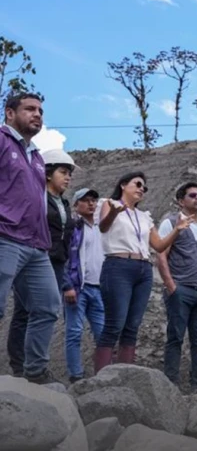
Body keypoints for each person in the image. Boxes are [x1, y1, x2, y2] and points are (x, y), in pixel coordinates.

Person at [94, 171, 190, 373]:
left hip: (143, 269)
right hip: (118, 265)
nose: (141, 189)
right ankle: (101, 377)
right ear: (123, 185)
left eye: (144, 187)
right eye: (137, 184)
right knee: (115, 323)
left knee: (132, 326)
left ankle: (125, 376)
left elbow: (159, 245)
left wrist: (177, 230)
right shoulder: (108, 203)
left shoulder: (144, 216)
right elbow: (103, 227)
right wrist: (114, 212)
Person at [0, 93, 62, 384]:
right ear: (10, 113)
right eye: (29, 109)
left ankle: (34, 372)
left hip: (36, 247)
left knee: (48, 307)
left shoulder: (37, 157)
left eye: (40, 110)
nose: (37, 114)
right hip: (5, 238)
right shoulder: (1, 141)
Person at [8, 147, 76, 379]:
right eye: (63, 171)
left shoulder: (64, 204)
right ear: (48, 173)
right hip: (33, 254)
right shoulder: (38, 197)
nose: (68, 177)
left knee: (45, 310)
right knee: (24, 311)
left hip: (55, 262)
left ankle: (33, 368)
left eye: (70, 173)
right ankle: (18, 364)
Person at [156, 182, 197, 392]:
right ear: (181, 200)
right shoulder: (170, 223)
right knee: (175, 336)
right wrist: (171, 285)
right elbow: (161, 255)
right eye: (193, 195)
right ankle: (170, 385)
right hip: (180, 289)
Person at [63, 188, 106, 383]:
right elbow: (64, 257)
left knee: (103, 334)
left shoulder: (101, 227)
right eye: (86, 200)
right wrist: (67, 285)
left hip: (98, 288)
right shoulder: (72, 227)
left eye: (93, 200)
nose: (91, 204)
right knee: (74, 333)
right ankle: (76, 376)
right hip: (78, 288)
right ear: (75, 205)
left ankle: (105, 374)